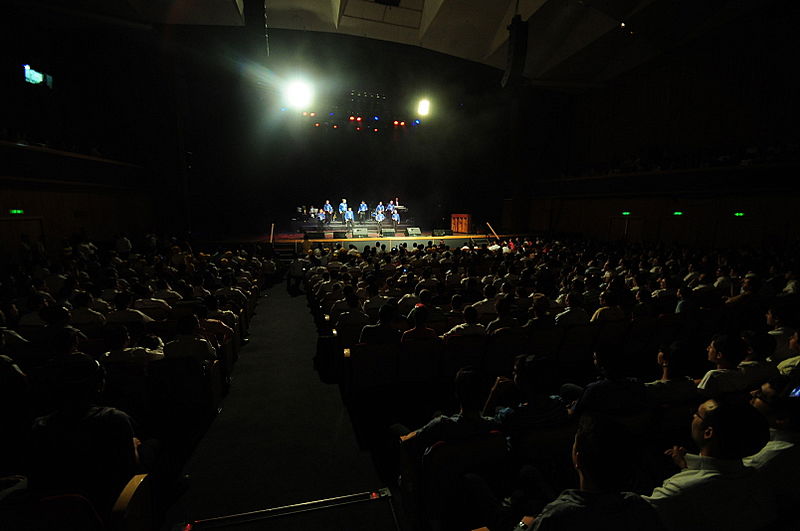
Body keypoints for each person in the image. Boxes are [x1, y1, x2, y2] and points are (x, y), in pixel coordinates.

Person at [643, 398, 774, 531]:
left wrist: (683, 477)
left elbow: (635, 514)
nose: (693, 416)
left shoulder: (679, 490)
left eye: (698, 414)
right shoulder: (758, 476)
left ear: (708, 432)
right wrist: (685, 470)